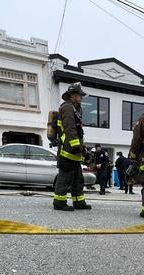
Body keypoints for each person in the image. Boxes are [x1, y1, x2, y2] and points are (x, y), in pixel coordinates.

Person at [52, 82, 92, 211]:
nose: (81, 98)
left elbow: (78, 132)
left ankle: (78, 202)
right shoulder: (67, 108)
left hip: (74, 153)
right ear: (73, 96)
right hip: (67, 152)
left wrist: (82, 149)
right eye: (80, 95)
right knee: (64, 178)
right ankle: (59, 202)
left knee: (77, 179)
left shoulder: (76, 109)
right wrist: (76, 147)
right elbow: (70, 130)